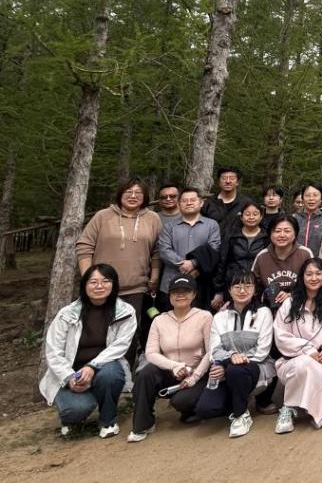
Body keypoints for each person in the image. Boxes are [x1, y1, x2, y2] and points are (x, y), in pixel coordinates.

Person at [40, 264, 135, 438]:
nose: (99, 286)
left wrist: (92, 366)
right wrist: (69, 378)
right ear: (84, 285)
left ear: (114, 284)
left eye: (105, 281)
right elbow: (53, 351)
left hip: (103, 367)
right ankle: (72, 419)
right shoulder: (67, 314)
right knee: (77, 409)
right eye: (93, 282)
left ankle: (108, 421)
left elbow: (120, 346)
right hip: (71, 371)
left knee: (111, 374)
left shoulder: (125, 312)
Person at [75, 177, 162, 367]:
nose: (133, 196)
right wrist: (89, 278)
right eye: (128, 192)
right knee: (97, 331)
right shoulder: (103, 216)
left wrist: (154, 276)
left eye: (138, 193)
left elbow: (157, 250)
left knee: (129, 333)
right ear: (120, 194)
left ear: (145, 197)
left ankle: (124, 374)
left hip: (135, 287)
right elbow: (84, 246)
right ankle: (92, 371)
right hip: (101, 288)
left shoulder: (153, 219)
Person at [127, 276, 212, 442]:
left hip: (197, 373)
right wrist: (174, 366)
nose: (180, 295)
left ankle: (193, 410)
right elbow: (151, 353)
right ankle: (143, 424)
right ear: (169, 295)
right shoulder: (159, 320)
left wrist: (194, 376)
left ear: (194, 294)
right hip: (170, 371)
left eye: (186, 291)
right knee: (146, 374)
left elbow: (211, 352)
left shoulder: (204, 317)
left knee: (181, 401)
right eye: (175, 292)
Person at [194, 271, 275, 438]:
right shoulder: (220, 317)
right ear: (229, 290)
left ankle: (241, 414)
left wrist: (233, 363)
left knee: (236, 371)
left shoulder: (264, 313)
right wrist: (230, 358)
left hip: (256, 368)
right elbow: (214, 350)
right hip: (227, 369)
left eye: (248, 286)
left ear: (255, 289)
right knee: (205, 409)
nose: (242, 290)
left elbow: (262, 351)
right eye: (237, 286)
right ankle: (239, 397)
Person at [273, 259, 322, 432]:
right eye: (309, 274)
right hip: (292, 363)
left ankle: (294, 406)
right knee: (303, 363)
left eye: (318, 273)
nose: (314, 278)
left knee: (312, 367)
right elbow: (281, 336)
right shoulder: (289, 303)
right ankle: (290, 407)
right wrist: (308, 351)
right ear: (302, 277)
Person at [158, 187, 221, 310]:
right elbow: (164, 250)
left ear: (201, 203)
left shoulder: (212, 225)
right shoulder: (169, 226)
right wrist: (184, 264)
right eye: (184, 200)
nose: (189, 203)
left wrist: (194, 263)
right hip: (171, 282)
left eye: (193, 200)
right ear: (179, 204)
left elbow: (214, 248)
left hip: (200, 281)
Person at [211, 200, 268, 308]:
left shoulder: (267, 237)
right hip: (234, 284)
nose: (251, 217)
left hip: (258, 286)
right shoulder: (231, 236)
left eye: (255, 214)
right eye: (247, 214)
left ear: (261, 217)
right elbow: (222, 262)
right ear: (241, 217)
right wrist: (219, 291)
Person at [251, 215, 313, 311]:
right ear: (270, 234)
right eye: (277, 231)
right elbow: (252, 286)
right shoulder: (262, 256)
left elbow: (314, 283)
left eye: (287, 231)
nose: (282, 235)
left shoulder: (305, 254)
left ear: (295, 233)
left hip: (300, 307)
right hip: (268, 309)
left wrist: (292, 295)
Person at [200, 166, 254, 248]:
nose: (228, 181)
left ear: (237, 182)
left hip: (238, 249)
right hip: (212, 248)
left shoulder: (246, 203)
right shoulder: (208, 203)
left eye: (232, 178)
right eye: (224, 178)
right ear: (219, 181)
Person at [293, 183, 322, 257]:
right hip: (295, 260)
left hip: (319, 262)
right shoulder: (293, 218)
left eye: (315, 195)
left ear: (321, 199)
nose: (311, 198)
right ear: (302, 198)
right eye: (307, 195)